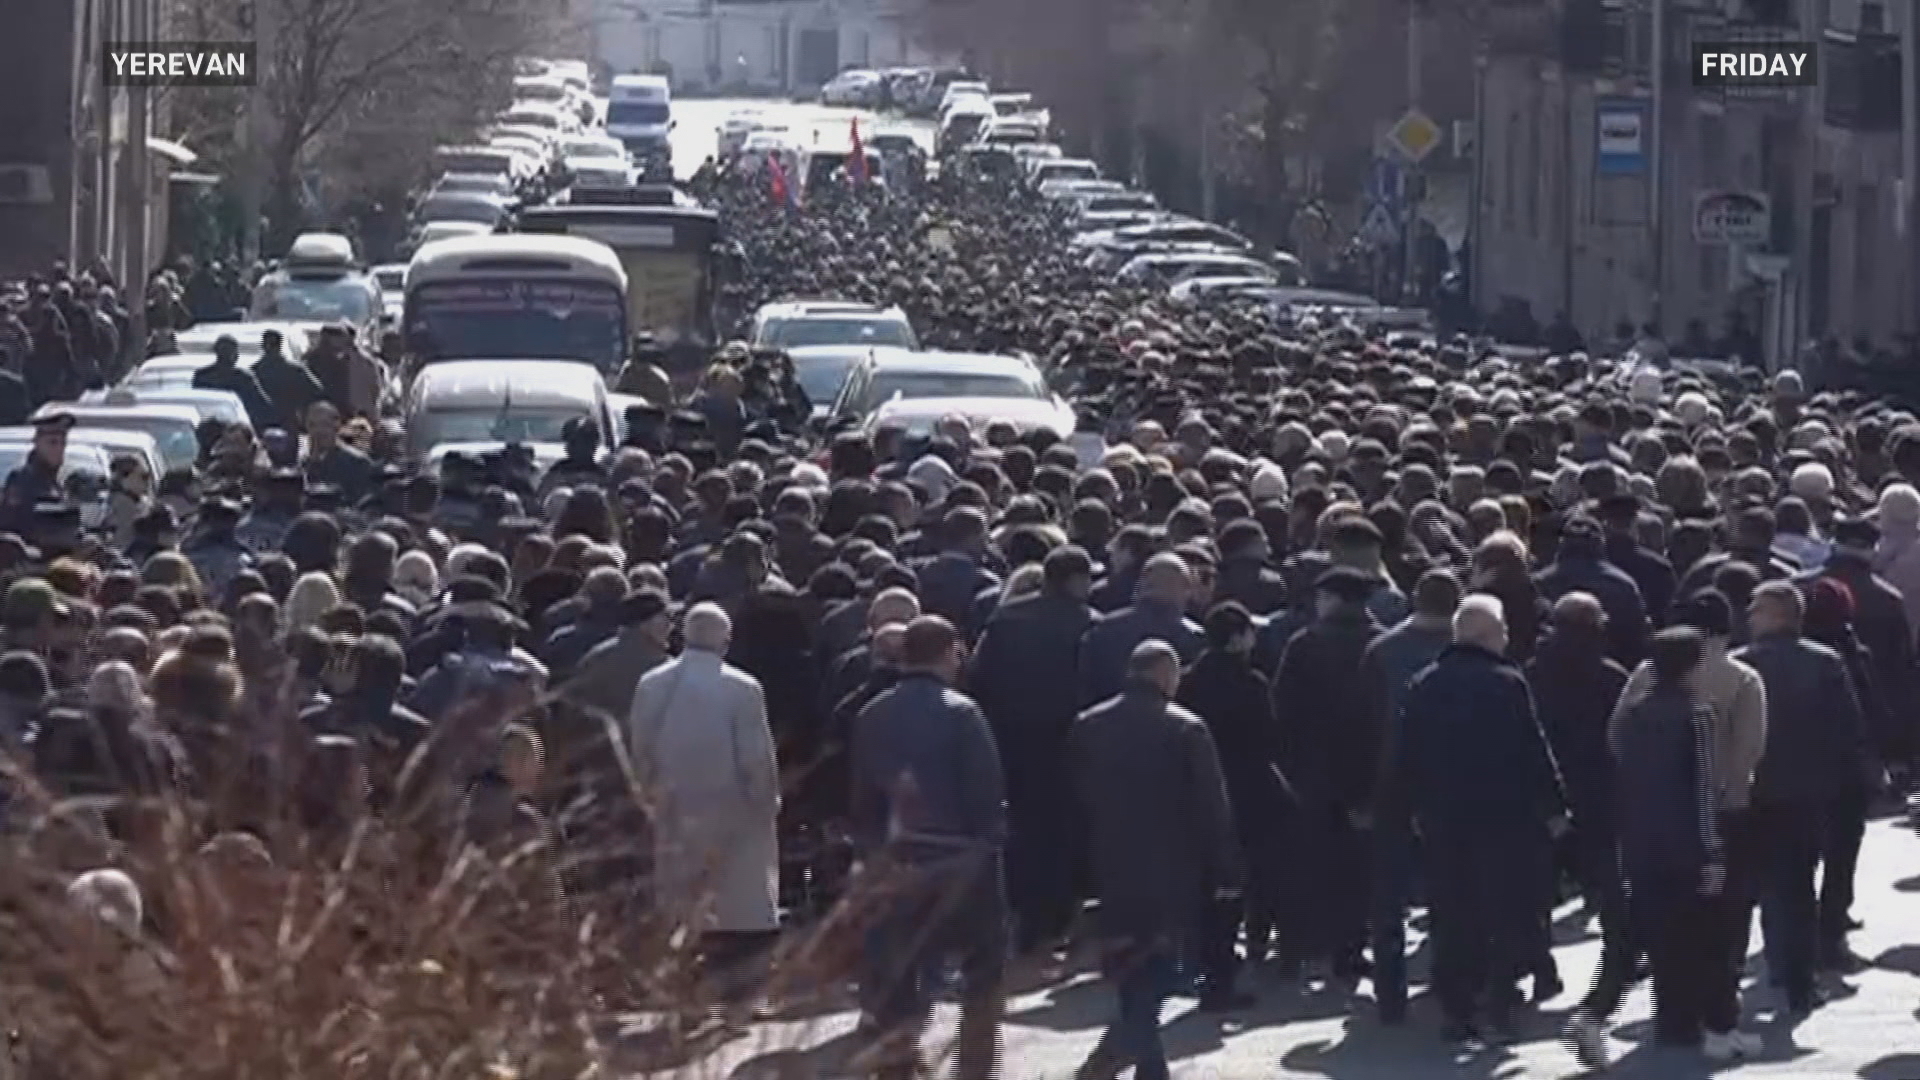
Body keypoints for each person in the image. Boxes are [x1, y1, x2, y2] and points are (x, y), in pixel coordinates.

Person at [1395, 593, 1565, 1042]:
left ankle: (1457, 1009)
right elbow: (1533, 749)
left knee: (1451, 912)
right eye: (1503, 629)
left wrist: (1409, 808)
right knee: (1502, 909)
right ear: (1488, 635)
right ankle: (1499, 1005)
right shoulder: (1507, 682)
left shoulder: (1423, 684)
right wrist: (1553, 808)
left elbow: (1406, 754)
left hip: (1443, 817)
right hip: (1502, 815)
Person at [1072, 639, 1240, 1080]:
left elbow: (1074, 801)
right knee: (1161, 971)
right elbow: (1212, 806)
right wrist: (1225, 870)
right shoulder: (1187, 728)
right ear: (1166, 674)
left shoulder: (1089, 724)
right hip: (1174, 868)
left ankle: (1146, 1068)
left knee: (1132, 968)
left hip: (1111, 866)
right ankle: (1119, 1054)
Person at [849, 614, 1007, 1080]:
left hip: (895, 861)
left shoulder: (872, 713)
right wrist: (990, 843)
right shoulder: (962, 713)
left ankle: (896, 1065)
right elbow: (984, 791)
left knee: (896, 972)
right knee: (982, 971)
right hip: (959, 860)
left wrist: (870, 853)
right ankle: (974, 1067)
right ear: (948, 653)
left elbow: (864, 795)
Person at [1565, 628, 1727, 1068]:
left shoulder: (1635, 713)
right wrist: (1712, 850)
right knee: (1688, 936)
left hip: (1640, 838)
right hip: (1684, 840)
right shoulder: (1698, 715)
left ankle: (1608, 1014)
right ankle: (1679, 1024)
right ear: (1694, 665)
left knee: (1647, 928)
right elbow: (1703, 789)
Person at [626, 602, 780, 995]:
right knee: (738, 904)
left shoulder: (651, 684)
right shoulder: (743, 688)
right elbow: (755, 759)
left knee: (683, 904)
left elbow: (640, 750)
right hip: (734, 812)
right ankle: (737, 991)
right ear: (726, 640)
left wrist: (648, 798)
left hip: (673, 811)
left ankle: (688, 987)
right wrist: (766, 804)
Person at [1733, 580, 1865, 1016]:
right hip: (1807, 791)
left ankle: (1776, 963)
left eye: (1756, 609)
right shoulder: (1825, 663)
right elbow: (1848, 730)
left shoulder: (1740, 666)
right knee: (1797, 885)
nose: (1749, 616)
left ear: (1777, 615)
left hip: (1751, 791)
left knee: (1760, 884)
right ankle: (1799, 980)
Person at [967, 544, 1093, 957]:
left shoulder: (1003, 620)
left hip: (1011, 740)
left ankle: (1023, 914)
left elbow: (978, 679)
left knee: (1020, 828)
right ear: (1077, 580)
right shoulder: (1086, 623)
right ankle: (1055, 917)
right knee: (1062, 830)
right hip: (1066, 741)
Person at [1268, 565, 1385, 983]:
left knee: (1314, 860)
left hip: (1314, 773)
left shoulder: (1305, 644)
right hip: (1370, 771)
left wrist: (1290, 765)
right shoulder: (1381, 643)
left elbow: (1282, 709)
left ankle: (1309, 945)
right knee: (1362, 865)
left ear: (1334, 599)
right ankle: (1352, 947)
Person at [1362, 566, 1460, 1023]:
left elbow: (1361, 727)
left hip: (1389, 785)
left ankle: (1390, 989)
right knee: (1450, 887)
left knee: (1388, 894)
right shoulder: (1465, 652)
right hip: (1449, 786)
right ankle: (1447, 977)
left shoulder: (1381, 651)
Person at [1176, 600, 1283, 1010]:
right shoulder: (1251, 684)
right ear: (1238, 638)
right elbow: (1269, 739)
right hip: (1246, 791)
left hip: (1195, 793)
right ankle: (1230, 965)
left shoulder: (1188, 681)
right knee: (1239, 880)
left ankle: (1204, 962)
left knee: (1205, 881)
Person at [0, 410, 73, 533]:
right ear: (37, 443)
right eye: (52, 442)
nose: (59, 449)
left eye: (63, 443)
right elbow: (14, 526)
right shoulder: (23, 479)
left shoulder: (58, 482)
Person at [191, 335, 274, 428]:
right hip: (237, 426)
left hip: (208, 425)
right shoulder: (243, 377)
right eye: (235, 352)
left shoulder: (202, 375)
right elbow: (263, 405)